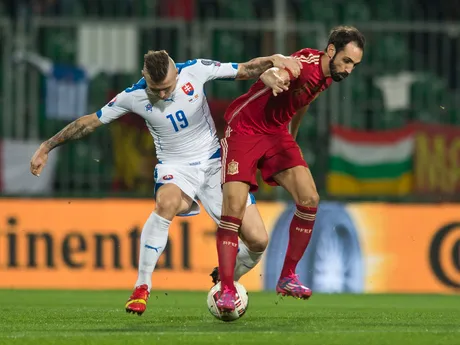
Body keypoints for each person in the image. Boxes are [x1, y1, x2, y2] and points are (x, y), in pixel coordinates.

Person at [29, 49, 302, 315]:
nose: (163, 94)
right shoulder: (132, 96)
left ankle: (226, 281)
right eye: (156, 89)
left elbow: (245, 69)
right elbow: (89, 123)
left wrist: (273, 60)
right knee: (166, 202)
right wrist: (48, 145)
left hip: (215, 162)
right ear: (144, 77)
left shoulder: (195, 70)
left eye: (168, 87)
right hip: (175, 168)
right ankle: (142, 286)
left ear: (175, 70)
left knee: (258, 241)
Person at [214, 26, 365, 312]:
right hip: (245, 128)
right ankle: (227, 289)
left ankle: (287, 277)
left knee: (310, 199)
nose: (349, 70)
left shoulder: (328, 74)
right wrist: (273, 76)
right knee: (233, 208)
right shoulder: (303, 68)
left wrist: (291, 136)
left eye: (354, 65)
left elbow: (304, 101)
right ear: (331, 50)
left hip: (275, 133)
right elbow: (279, 72)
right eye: (347, 61)